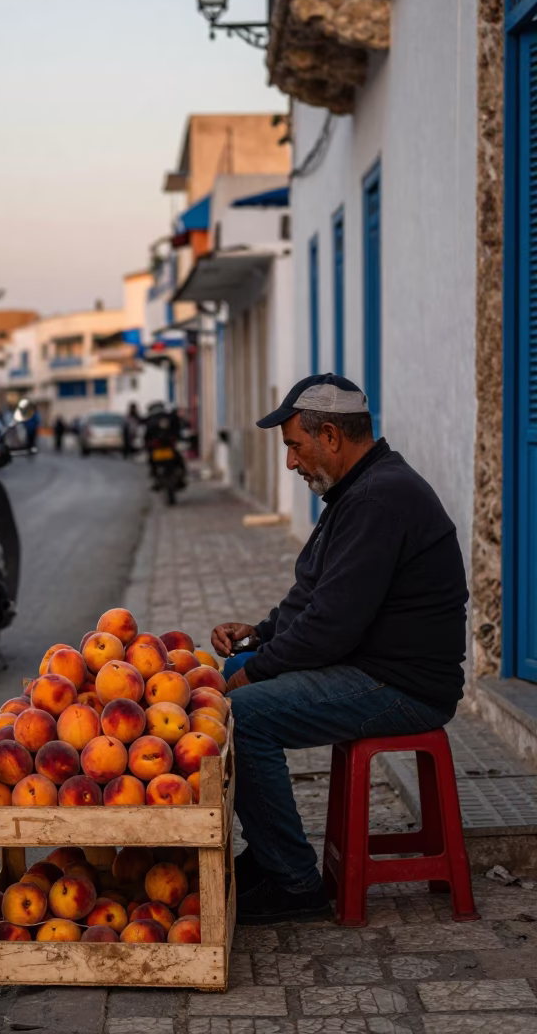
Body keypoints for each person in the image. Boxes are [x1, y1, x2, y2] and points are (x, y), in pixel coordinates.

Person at [210, 373, 468, 926]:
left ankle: (295, 885)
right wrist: (256, 637)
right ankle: (271, 854)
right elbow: (313, 597)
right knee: (233, 672)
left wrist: (253, 676)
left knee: (242, 713)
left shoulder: (380, 499)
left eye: (294, 447)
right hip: (371, 665)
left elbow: (330, 626)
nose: (290, 464)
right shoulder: (356, 492)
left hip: (403, 687)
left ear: (330, 436)